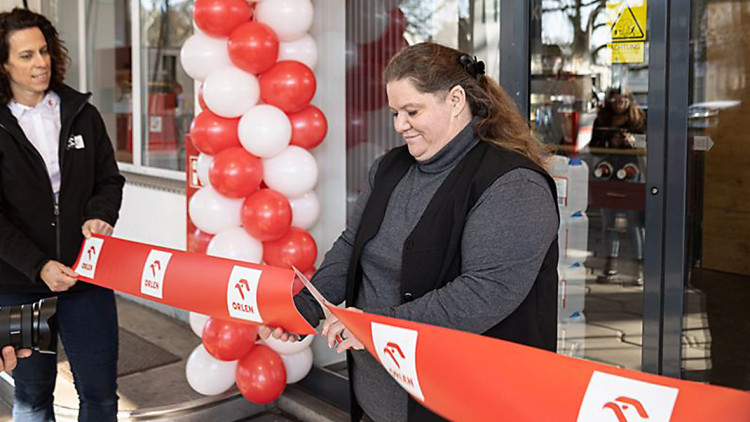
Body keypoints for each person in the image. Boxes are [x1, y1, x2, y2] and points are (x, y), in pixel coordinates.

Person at [261, 42, 559, 422]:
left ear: (454, 101)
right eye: (395, 113)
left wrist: (376, 327)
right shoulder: (389, 167)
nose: (400, 125)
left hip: (463, 405)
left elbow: (485, 292)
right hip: (378, 400)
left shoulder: (513, 185)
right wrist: (306, 307)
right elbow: (353, 245)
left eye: (412, 111)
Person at [0, 8, 125, 421]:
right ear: (3, 64)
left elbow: (109, 180)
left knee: (101, 395)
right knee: (32, 397)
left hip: (87, 277)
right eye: (25, 55)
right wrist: (38, 267)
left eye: (44, 51)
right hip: (18, 283)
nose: (40, 62)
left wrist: (100, 214)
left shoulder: (81, 114)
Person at [590, 87, 646, 283]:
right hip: (607, 173)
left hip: (632, 175)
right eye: (616, 99)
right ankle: (610, 266)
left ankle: (639, 268)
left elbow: (648, 144)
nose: (619, 102)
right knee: (609, 223)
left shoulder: (639, 119)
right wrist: (609, 142)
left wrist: (631, 141)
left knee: (635, 224)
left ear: (630, 100)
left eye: (624, 99)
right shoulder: (602, 120)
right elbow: (593, 147)